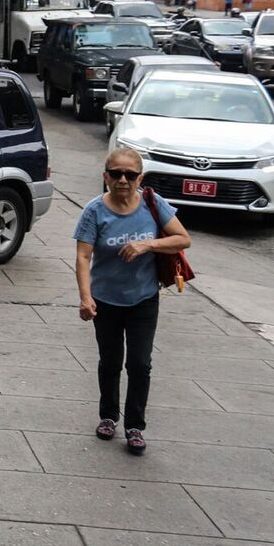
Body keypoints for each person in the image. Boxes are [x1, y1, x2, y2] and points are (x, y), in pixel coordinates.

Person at [74, 147, 191, 454]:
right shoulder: (94, 211)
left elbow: (183, 238)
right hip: (105, 300)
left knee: (140, 363)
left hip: (143, 299)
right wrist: (86, 298)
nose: (122, 180)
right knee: (110, 362)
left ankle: (135, 425)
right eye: (116, 174)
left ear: (139, 178)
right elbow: (83, 256)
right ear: (106, 176)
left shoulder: (153, 204)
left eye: (129, 174)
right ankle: (109, 416)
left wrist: (146, 245)